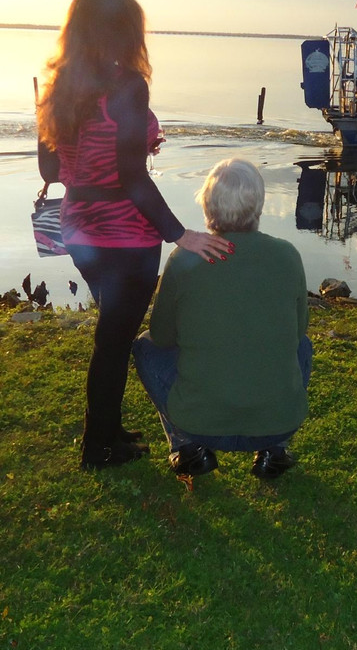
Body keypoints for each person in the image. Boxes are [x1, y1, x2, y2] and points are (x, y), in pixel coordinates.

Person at [36, 0, 233, 470]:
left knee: (113, 333)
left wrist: (119, 148)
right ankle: (98, 447)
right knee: (113, 340)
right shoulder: (127, 86)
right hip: (125, 235)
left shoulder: (59, 86)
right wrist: (181, 234)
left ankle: (108, 431)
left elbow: (50, 169)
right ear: (125, 29)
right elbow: (131, 177)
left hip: (78, 229)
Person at [133, 158, 312, 480]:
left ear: (208, 205)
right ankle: (274, 451)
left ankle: (188, 448)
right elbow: (299, 330)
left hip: (200, 424)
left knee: (145, 346)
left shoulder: (184, 259)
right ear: (258, 204)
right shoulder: (287, 255)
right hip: (277, 423)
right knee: (303, 346)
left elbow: (161, 337)